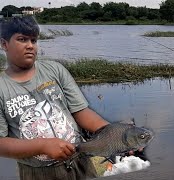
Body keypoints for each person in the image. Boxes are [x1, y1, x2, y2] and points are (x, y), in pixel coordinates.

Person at [0, 16, 110, 180]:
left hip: (80, 161)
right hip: (37, 173)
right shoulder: (2, 87)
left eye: (34, 40)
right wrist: (43, 146)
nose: (30, 46)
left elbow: (80, 111)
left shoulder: (55, 70)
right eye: (22, 39)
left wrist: (113, 133)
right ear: (4, 44)